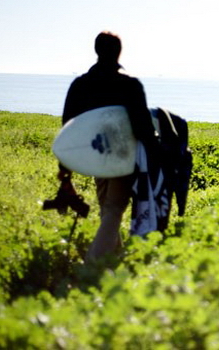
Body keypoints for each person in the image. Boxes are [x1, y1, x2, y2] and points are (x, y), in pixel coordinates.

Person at [60, 31, 157, 263]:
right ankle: (93, 266)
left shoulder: (81, 84)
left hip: (95, 158)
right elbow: (142, 127)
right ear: (119, 52)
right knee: (113, 209)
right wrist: (157, 150)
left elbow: (68, 126)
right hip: (123, 158)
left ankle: (115, 262)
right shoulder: (129, 85)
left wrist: (66, 167)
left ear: (96, 50)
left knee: (108, 209)